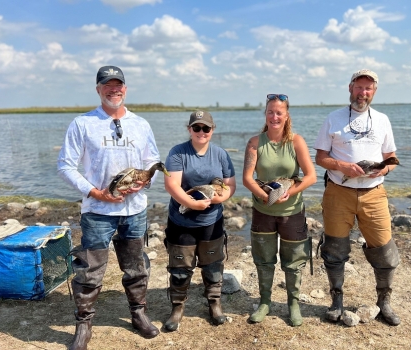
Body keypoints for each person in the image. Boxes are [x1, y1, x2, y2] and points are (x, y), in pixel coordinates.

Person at [57, 65, 162, 349]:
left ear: (125, 89)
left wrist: (143, 181)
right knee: (89, 270)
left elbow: (152, 160)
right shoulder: (83, 123)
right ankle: (83, 324)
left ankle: (139, 314)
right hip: (97, 212)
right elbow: (66, 165)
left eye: (118, 85)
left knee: (136, 267)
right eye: (107, 85)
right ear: (98, 89)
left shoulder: (141, 124)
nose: (113, 89)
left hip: (135, 210)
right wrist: (94, 192)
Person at [314, 69, 401, 326]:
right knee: (334, 248)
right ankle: (336, 300)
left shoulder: (383, 120)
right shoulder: (333, 118)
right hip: (338, 192)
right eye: (359, 87)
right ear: (350, 88)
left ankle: (384, 301)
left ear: (374, 92)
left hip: (374, 193)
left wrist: (384, 168)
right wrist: (342, 166)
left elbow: (392, 158)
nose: (363, 93)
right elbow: (320, 158)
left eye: (368, 89)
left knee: (384, 249)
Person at [242, 94, 317, 327]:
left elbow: (311, 176)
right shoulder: (255, 143)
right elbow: (247, 178)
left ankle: (293, 304)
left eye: (279, 112)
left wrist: (289, 193)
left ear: (286, 116)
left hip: (292, 212)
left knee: (294, 261)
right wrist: (267, 197)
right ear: (265, 114)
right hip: (263, 211)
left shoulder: (296, 142)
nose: (274, 116)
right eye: (270, 112)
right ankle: (265, 302)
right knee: (264, 260)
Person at [163, 110, 236, 332]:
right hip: (181, 220)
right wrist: (192, 204)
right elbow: (172, 185)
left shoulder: (221, 154)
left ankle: (214, 303)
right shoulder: (177, 153)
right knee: (180, 268)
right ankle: (177, 307)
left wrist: (220, 198)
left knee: (213, 265)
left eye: (206, 128)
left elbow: (230, 185)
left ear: (212, 130)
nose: (201, 132)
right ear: (189, 130)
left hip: (212, 220)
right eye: (197, 128)